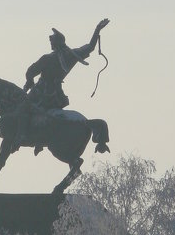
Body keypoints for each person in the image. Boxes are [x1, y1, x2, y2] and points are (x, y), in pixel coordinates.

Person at [13, 19, 110, 150]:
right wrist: (97, 29)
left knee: (23, 107)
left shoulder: (47, 59)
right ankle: (39, 140)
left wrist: (29, 82)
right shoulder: (70, 55)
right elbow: (90, 47)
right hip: (57, 96)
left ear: (55, 43)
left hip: (41, 93)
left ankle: (22, 136)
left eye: (51, 41)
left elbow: (30, 72)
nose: (50, 43)